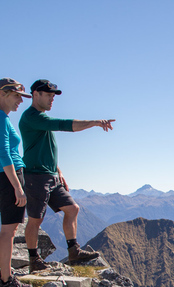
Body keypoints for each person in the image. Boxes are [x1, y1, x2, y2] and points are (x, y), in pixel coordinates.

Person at [19, 79, 115, 272]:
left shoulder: (40, 118)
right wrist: (95, 122)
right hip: (35, 176)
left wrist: (58, 171)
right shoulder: (32, 117)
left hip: (50, 174)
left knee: (72, 208)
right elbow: (65, 125)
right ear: (36, 94)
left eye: (53, 96)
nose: (52, 99)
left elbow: (45, 150)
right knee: (35, 219)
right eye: (48, 95)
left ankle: (74, 251)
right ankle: (34, 259)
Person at [0, 78, 33, 287]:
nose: (20, 101)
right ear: (2, 94)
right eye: (17, 96)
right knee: (8, 231)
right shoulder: (0, 119)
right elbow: (4, 153)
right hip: (8, 178)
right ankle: (6, 280)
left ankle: (6, 276)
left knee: (9, 229)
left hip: (1, 177)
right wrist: (18, 187)